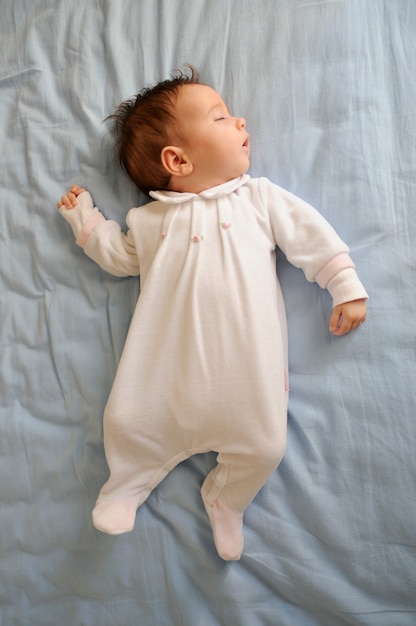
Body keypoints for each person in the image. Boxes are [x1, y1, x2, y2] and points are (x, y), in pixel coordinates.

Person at [57, 67, 368, 561]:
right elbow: (120, 257)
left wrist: (343, 284)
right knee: (126, 420)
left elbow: (309, 235)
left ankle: (227, 499)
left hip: (246, 382)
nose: (241, 121)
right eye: (222, 117)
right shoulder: (150, 219)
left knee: (266, 446)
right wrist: (87, 221)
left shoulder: (258, 198)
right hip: (164, 379)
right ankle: (126, 485)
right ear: (177, 159)